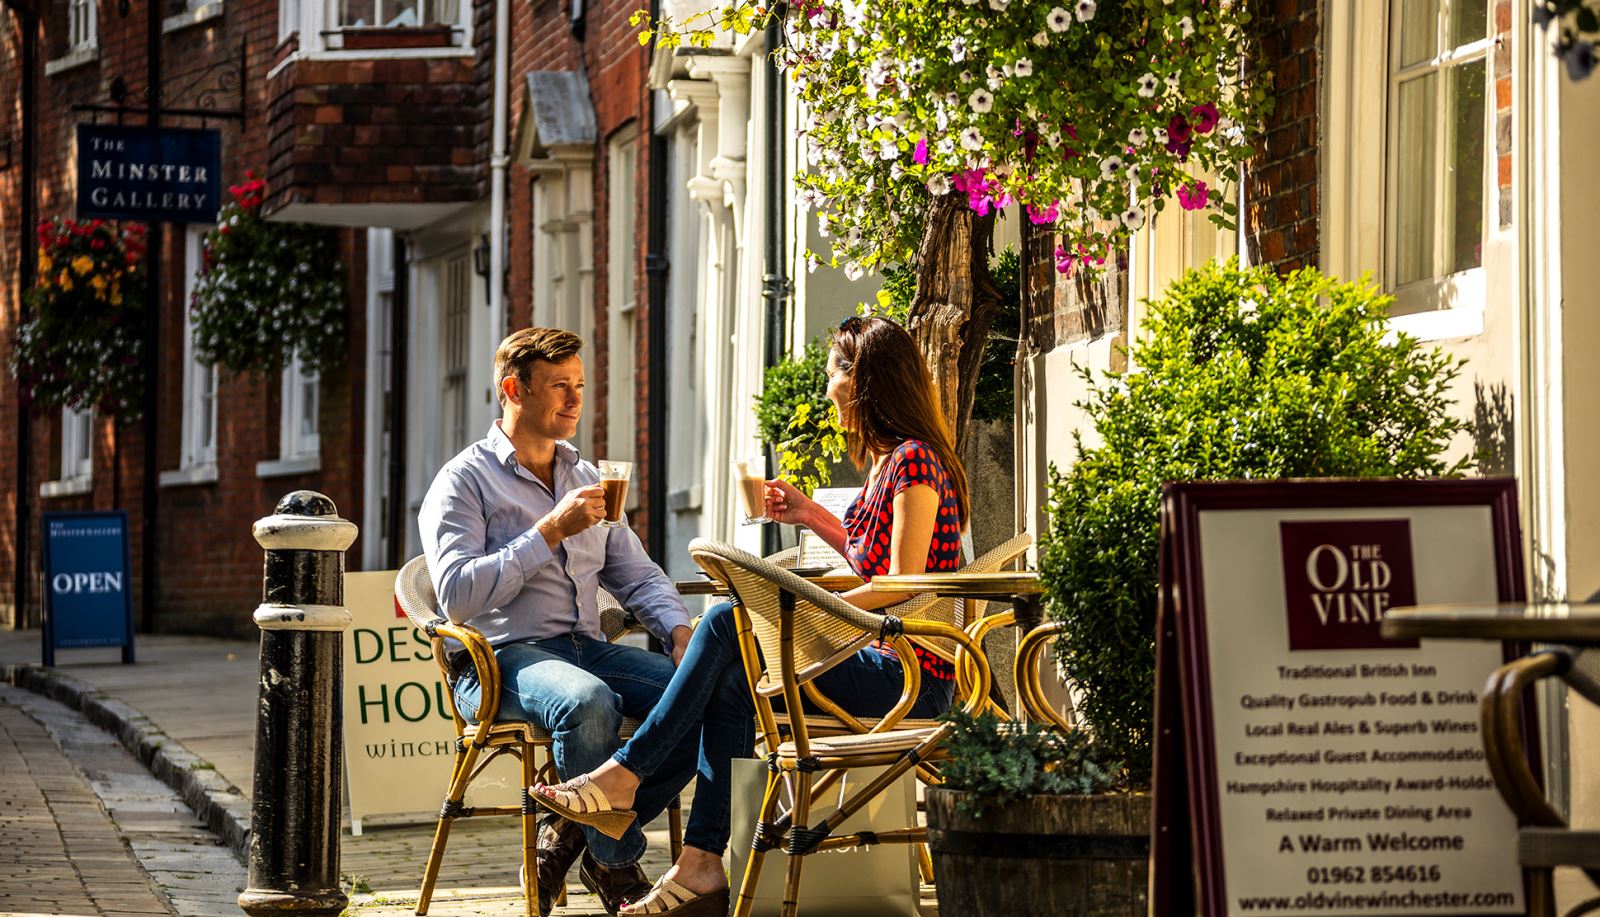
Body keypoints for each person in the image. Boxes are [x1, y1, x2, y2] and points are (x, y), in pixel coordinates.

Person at [532, 315, 970, 916]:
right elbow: (875, 562)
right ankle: (701, 864)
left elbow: (899, 582)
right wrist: (812, 515)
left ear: (864, 379)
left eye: (833, 374)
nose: (827, 389)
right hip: (873, 660)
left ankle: (627, 782)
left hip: (908, 679)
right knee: (733, 673)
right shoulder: (893, 462)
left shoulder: (914, 461)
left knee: (723, 625)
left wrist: (800, 609)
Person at [418, 327, 700, 916]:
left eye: (579, 386)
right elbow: (456, 596)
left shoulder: (586, 475)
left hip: (586, 646)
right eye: (558, 387)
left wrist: (678, 630)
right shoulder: (462, 481)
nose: (575, 400)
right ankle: (616, 865)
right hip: (502, 658)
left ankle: (569, 837)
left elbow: (637, 574)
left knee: (711, 691)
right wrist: (549, 532)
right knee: (588, 702)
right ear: (514, 390)